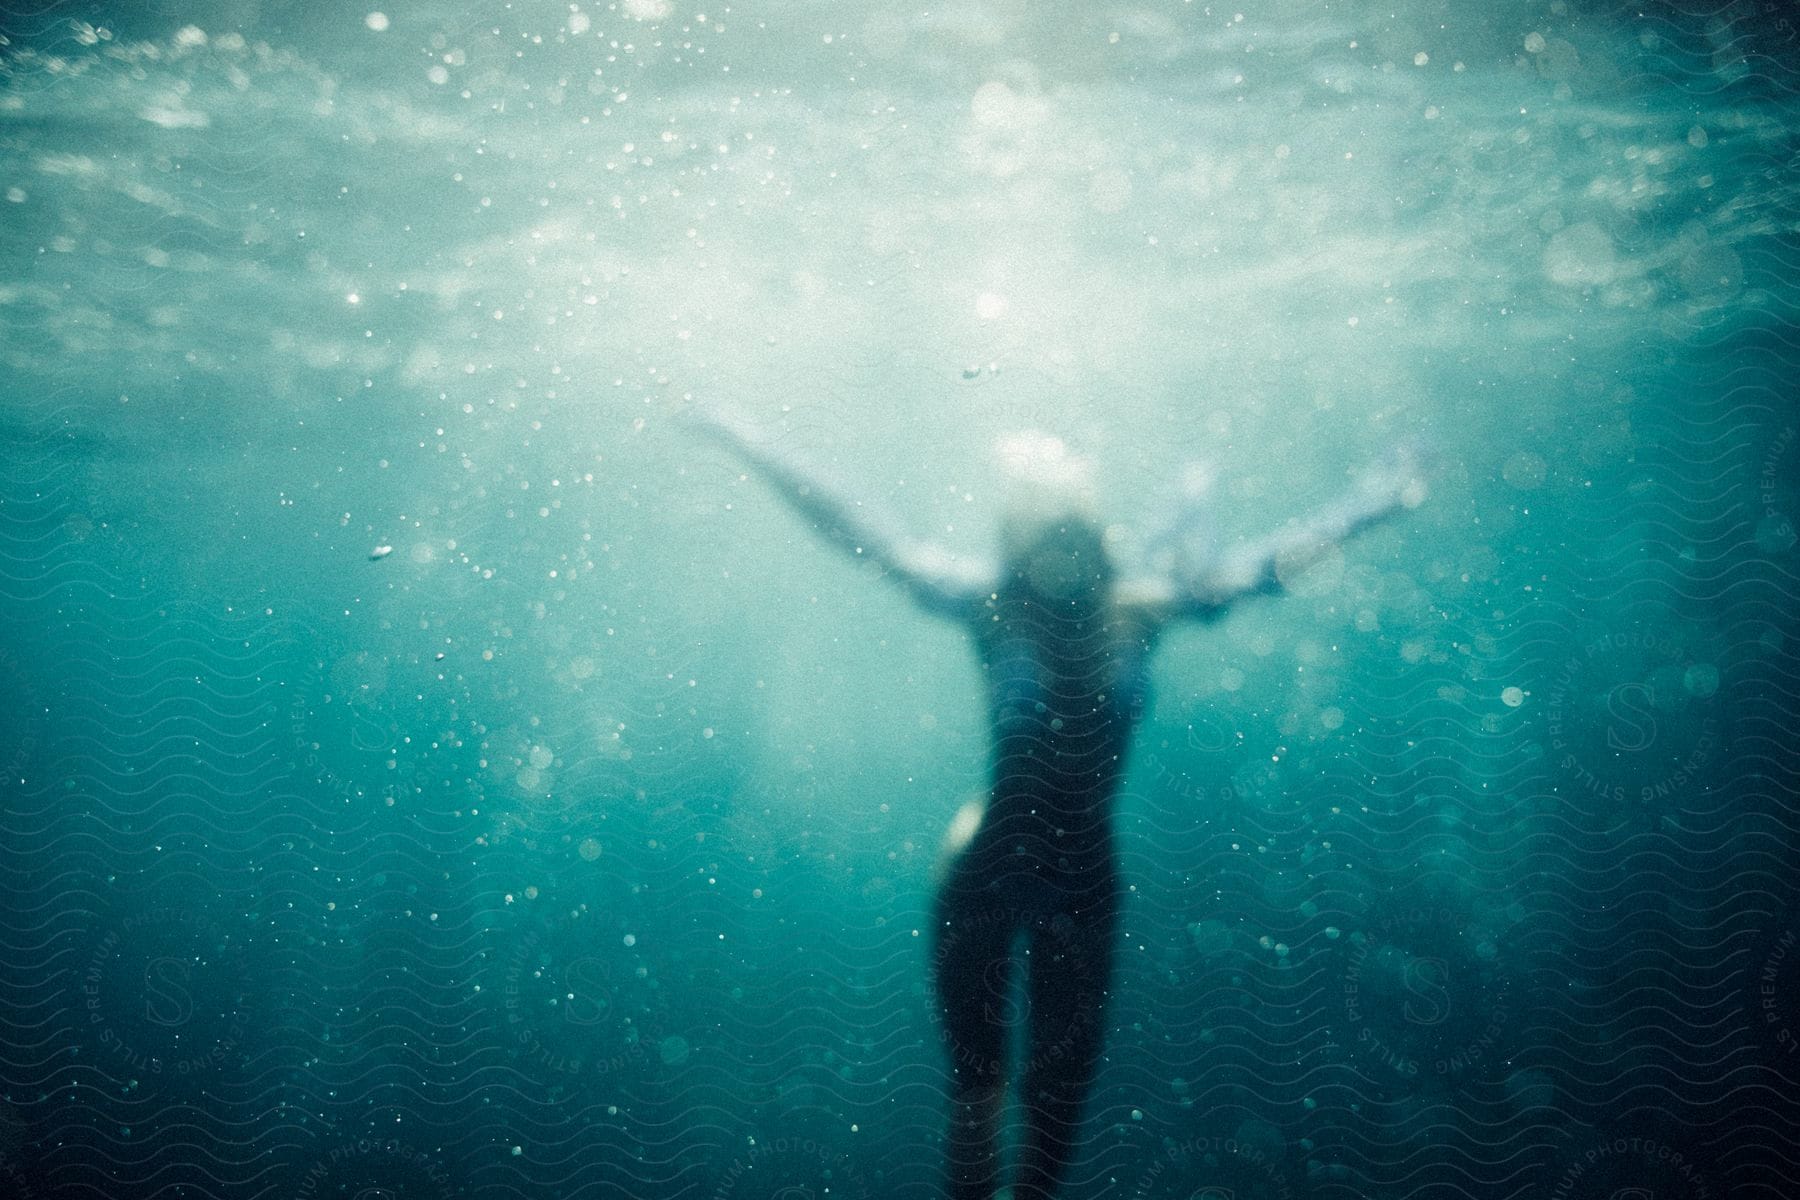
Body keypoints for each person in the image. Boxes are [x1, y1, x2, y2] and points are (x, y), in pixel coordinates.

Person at [687, 409, 1424, 1200]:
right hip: (983, 870)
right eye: (1038, 540)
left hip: (1083, 878)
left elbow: (1271, 566)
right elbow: (860, 530)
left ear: (1096, 537)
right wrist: (748, 442)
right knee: (977, 1092)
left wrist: (1375, 504)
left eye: (1068, 535)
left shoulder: (1141, 610)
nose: (1056, 557)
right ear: (1014, 547)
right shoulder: (989, 605)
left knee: (1056, 1105)